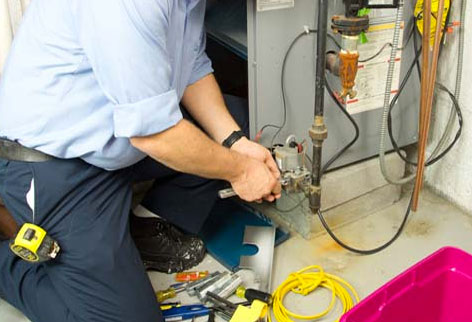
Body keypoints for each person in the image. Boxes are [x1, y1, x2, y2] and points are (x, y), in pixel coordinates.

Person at [0, 0, 281, 321]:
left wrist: (235, 143)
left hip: (118, 139)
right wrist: (241, 169)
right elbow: (156, 135)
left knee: (244, 124)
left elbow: (191, 67)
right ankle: (8, 266)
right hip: (56, 165)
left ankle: (146, 228)